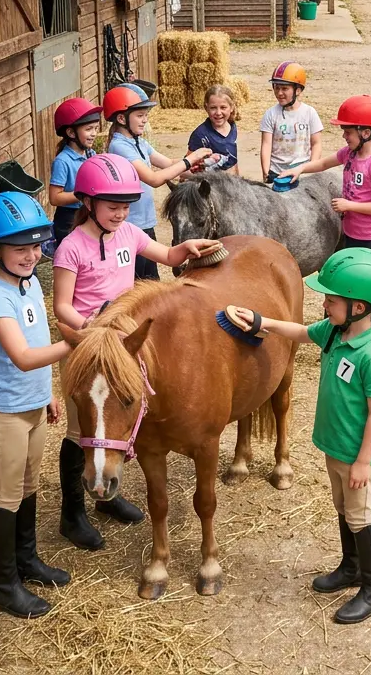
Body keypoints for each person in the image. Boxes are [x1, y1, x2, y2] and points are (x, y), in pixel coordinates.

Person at [52, 153, 219, 550]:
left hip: (124, 347)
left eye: (126, 205)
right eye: (112, 206)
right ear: (87, 202)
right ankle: (72, 514)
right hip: (88, 346)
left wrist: (186, 248)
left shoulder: (128, 234)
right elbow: (61, 306)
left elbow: (167, 257)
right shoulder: (71, 247)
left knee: (120, 421)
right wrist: (91, 329)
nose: (121, 213)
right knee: (81, 432)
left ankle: (108, 495)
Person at [228, 248, 371, 624]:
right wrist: (262, 322)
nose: (324, 304)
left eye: (331, 300)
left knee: (361, 517)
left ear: (359, 307)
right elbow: (301, 332)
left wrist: (363, 462)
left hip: (356, 454)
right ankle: (351, 567)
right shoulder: (335, 332)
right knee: (343, 509)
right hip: (336, 446)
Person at [0, 191, 72, 619]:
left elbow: (37, 340)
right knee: (7, 496)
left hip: (32, 407)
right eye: (20, 249)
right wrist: (74, 344)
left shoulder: (29, 284)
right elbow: (23, 356)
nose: (32, 255)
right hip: (7, 414)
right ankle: (3, 585)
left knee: (29, 486)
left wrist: (47, 392)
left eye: (36, 246)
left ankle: (26, 560)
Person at [279, 95, 371, 343]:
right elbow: (322, 163)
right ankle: (337, 336)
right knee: (342, 288)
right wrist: (299, 169)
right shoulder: (350, 154)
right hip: (350, 234)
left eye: (348, 131)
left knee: (370, 295)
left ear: (365, 133)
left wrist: (349, 205)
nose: (344, 136)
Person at [104, 84, 211, 280]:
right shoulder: (119, 146)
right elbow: (153, 179)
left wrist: (199, 167)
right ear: (121, 118)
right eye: (140, 115)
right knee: (136, 284)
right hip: (130, 225)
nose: (145, 120)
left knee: (151, 281)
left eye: (146, 115)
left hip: (145, 224)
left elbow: (169, 164)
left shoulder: (139, 142)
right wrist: (190, 159)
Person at [48, 97, 102, 247]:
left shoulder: (91, 154)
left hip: (87, 213)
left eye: (96, 128)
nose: (94, 133)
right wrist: (84, 194)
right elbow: (54, 198)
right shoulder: (63, 161)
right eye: (88, 129)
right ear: (71, 133)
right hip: (68, 220)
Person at [259, 62, 323, 183]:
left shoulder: (310, 113)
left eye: (284, 88)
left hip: (302, 172)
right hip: (276, 172)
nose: (279, 93)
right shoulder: (270, 114)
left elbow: (316, 144)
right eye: (276, 88)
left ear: (297, 90)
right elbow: (266, 145)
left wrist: (312, 168)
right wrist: (266, 172)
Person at [188, 85, 241, 175]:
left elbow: (233, 160)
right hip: (209, 181)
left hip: (231, 181)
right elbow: (188, 166)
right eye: (213, 108)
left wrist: (238, 178)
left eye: (223, 107)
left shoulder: (232, 127)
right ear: (206, 108)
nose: (218, 113)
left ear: (231, 107)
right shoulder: (200, 135)